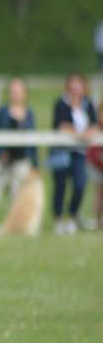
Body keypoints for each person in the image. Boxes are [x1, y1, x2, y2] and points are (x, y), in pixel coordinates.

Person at [0, 78, 39, 226]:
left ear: (25, 93)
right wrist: (0, 152)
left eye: (19, 91)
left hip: (21, 159)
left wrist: (35, 163)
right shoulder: (1, 112)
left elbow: (33, 140)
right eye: (13, 91)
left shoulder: (29, 113)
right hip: (2, 160)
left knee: (18, 193)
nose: (16, 94)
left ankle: (16, 222)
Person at [49, 72, 98, 234]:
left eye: (79, 84)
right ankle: (58, 219)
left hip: (79, 152)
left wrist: (84, 134)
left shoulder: (88, 104)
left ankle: (72, 216)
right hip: (61, 151)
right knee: (60, 186)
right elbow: (61, 126)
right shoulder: (61, 103)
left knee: (80, 184)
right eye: (73, 83)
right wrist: (80, 135)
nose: (76, 87)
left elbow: (94, 125)